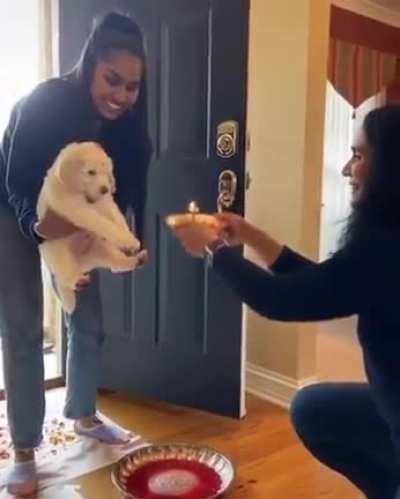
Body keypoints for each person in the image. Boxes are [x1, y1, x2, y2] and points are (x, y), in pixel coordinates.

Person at [173, 105, 400, 499]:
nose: (347, 170)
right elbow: (325, 284)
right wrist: (252, 236)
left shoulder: (386, 247)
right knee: (313, 409)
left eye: (359, 156)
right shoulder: (384, 243)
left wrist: (214, 250)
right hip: (389, 405)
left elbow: (281, 301)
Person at [0, 12, 152, 496]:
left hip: (78, 209)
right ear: (90, 65)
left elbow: (128, 193)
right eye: (112, 79)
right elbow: (18, 181)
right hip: (12, 205)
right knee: (22, 325)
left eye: (132, 86)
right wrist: (39, 228)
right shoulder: (46, 103)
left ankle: (83, 413)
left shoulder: (129, 125)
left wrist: (129, 244)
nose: (122, 95)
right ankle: (25, 446)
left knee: (87, 314)